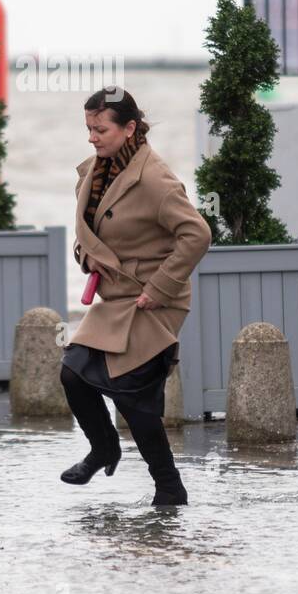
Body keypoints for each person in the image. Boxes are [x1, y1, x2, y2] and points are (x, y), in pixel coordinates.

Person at [60, 86, 211, 505]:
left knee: (133, 394)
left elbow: (197, 234)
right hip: (116, 300)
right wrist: (85, 257)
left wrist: (159, 287)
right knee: (73, 372)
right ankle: (105, 448)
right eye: (88, 128)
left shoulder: (156, 179)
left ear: (129, 128)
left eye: (100, 129)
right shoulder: (94, 170)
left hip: (153, 301)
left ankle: (168, 486)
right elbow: (90, 230)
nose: (92, 137)